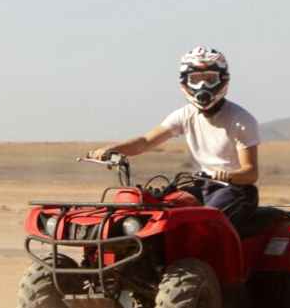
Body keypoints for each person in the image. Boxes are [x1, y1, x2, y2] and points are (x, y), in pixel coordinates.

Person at [89, 46, 261, 228]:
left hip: (235, 190)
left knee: (202, 223)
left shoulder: (241, 120)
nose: (203, 86)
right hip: (202, 186)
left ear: (223, 80)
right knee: (157, 211)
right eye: (196, 79)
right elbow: (145, 142)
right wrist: (112, 149)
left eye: (210, 79)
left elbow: (250, 173)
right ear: (185, 82)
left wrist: (227, 175)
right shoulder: (185, 115)